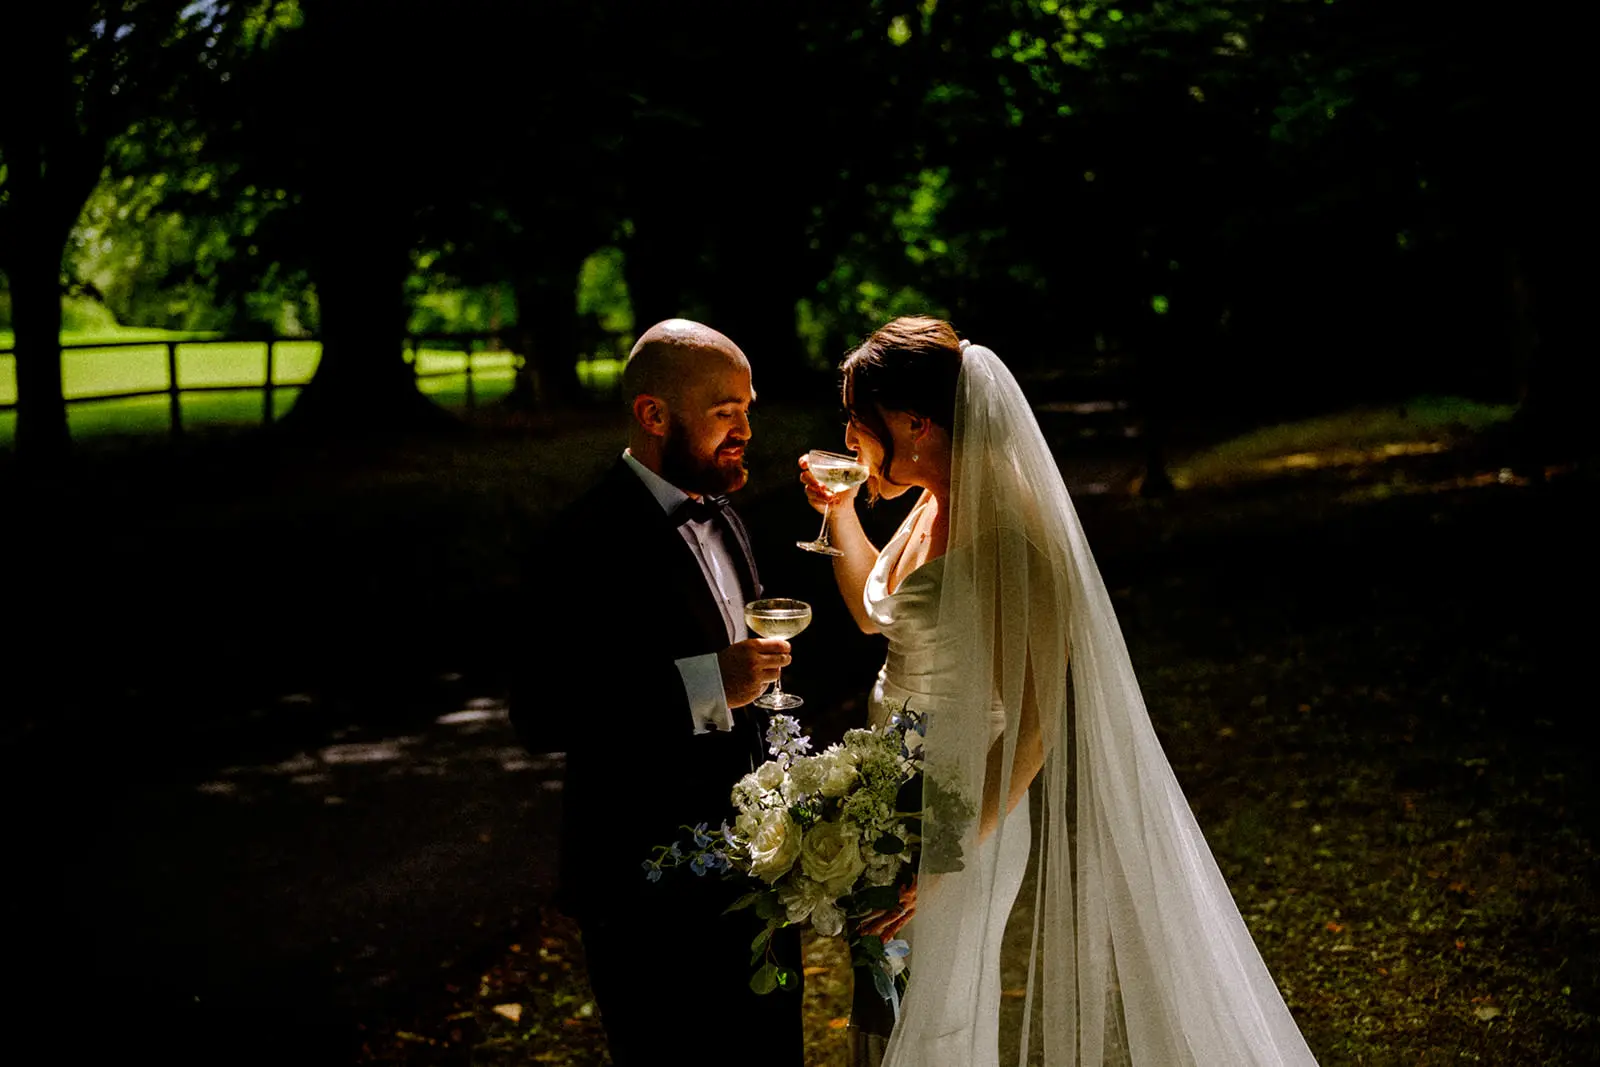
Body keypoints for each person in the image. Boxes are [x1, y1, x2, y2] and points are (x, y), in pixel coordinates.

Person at [800, 316, 1320, 1067]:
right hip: (884, 788)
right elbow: (870, 611)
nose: (849, 442)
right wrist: (841, 512)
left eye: (857, 423)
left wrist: (944, 853)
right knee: (883, 995)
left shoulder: (1012, 530)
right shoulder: (931, 500)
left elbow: (1038, 725)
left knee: (940, 1009)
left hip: (965, 803)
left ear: (913, 423)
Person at [510, 319, 803, 1066]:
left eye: (748, 406)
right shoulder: (579, 541)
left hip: (756, 878)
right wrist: (708, 684)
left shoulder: (728, 514)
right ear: (653, 414)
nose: (745, 429)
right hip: (644, 892)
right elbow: (542, 710)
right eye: (723, 411)